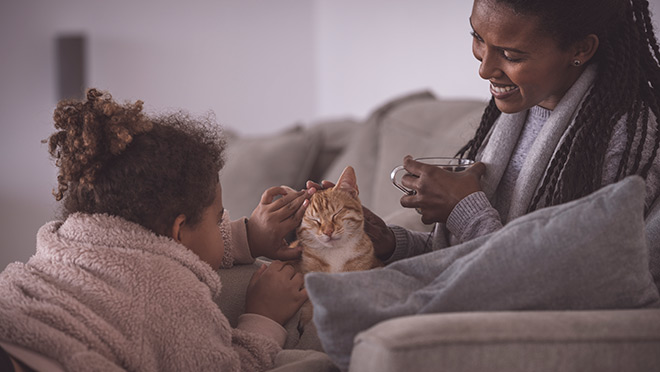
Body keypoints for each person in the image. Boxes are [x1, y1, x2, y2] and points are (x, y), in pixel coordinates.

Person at [311, 0, 660, 283]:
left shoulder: (623, 142)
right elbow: (463, 258)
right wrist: (389, 242)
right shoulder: (513, 115)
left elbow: (556, 286)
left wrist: (464, 210)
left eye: (512, 55)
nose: (484, 68)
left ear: (580, 49)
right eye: (478, 37)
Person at [0, 89, 312, 372]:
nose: (222, 227)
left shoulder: (68, 240)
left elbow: (150, 243)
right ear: (178, 230)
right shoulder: (171, 295)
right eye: (218, 220)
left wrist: (249, 235)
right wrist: (264, 317)